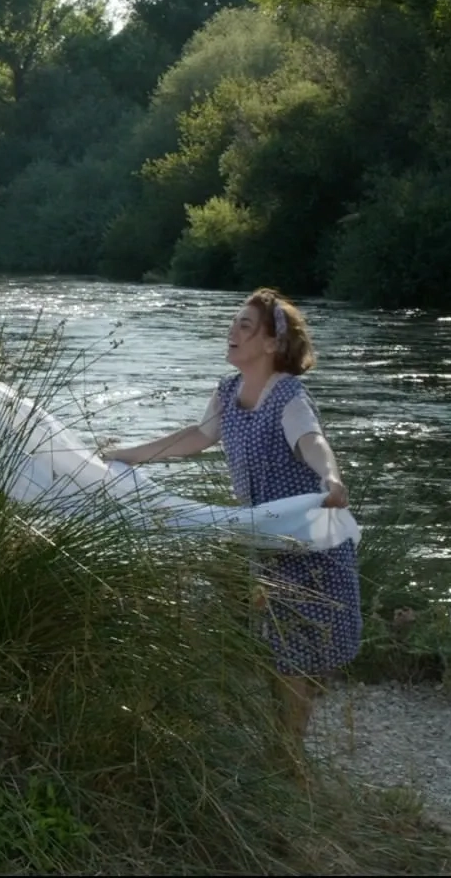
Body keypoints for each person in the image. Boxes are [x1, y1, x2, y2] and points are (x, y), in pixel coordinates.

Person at [103, 288, 356, 754]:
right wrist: (128, 455)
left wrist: (332, 478)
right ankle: (288, 749)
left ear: (271, 345)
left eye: (245, 326)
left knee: (298, 656)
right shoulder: (226, 392)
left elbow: (313, 443)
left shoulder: (289, 397)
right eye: (233, 322)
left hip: (310, 540)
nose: (232, 331)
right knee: (283, 650)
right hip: (267, 541)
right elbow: (196, 437)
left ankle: (288, 755)